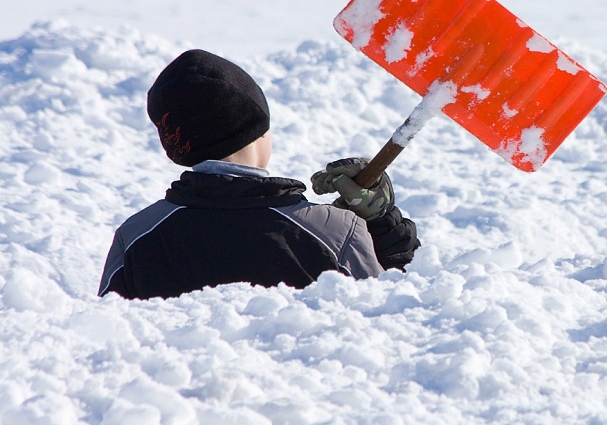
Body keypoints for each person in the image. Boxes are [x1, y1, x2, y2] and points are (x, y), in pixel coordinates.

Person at [98, 49, 419, 299]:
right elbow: (391, 320)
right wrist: (380, 223)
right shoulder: (334, 232)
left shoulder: (135, 237)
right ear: (258, 131)